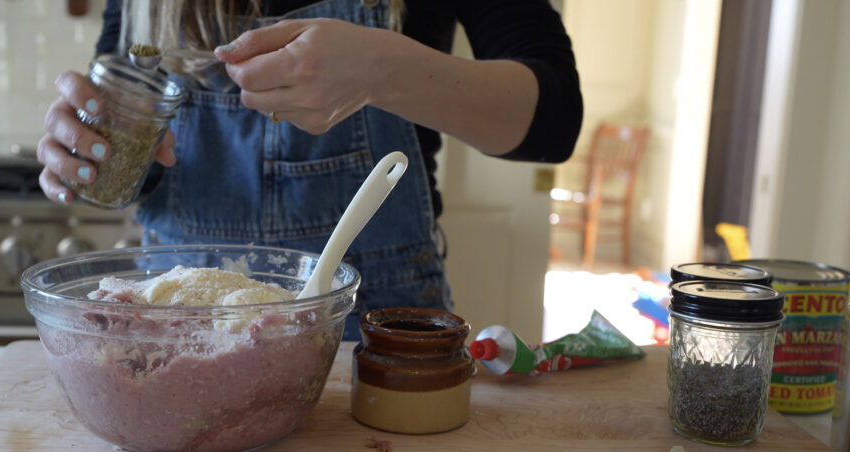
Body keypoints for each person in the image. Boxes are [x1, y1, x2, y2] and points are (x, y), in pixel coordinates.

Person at [37, 0, 583, 340]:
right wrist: (92, 153)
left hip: (373, 322)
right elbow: (140, 143)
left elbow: (553, 120)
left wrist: (386, 72)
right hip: (171, 316)